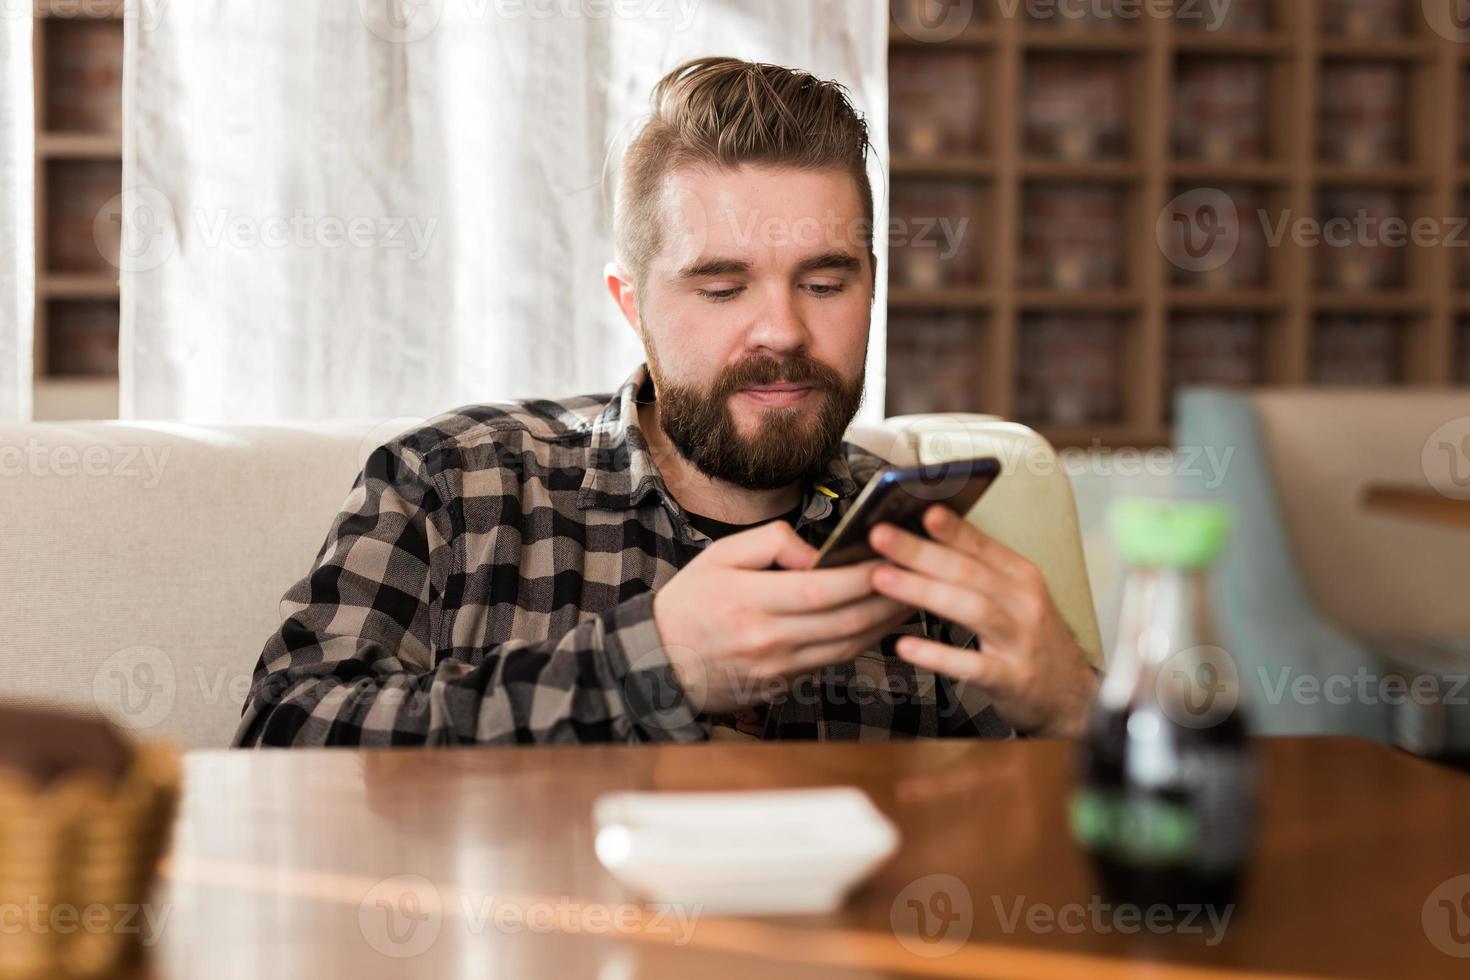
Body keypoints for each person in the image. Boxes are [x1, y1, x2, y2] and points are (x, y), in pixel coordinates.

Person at [233, 57, 1097, 748]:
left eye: (826, 281)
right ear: (632, 303)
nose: (784, 331)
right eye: (721, 289)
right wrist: (652, 667)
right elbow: (283, 733)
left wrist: (1076, 707)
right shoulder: (454, 484)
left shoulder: (920, 545)